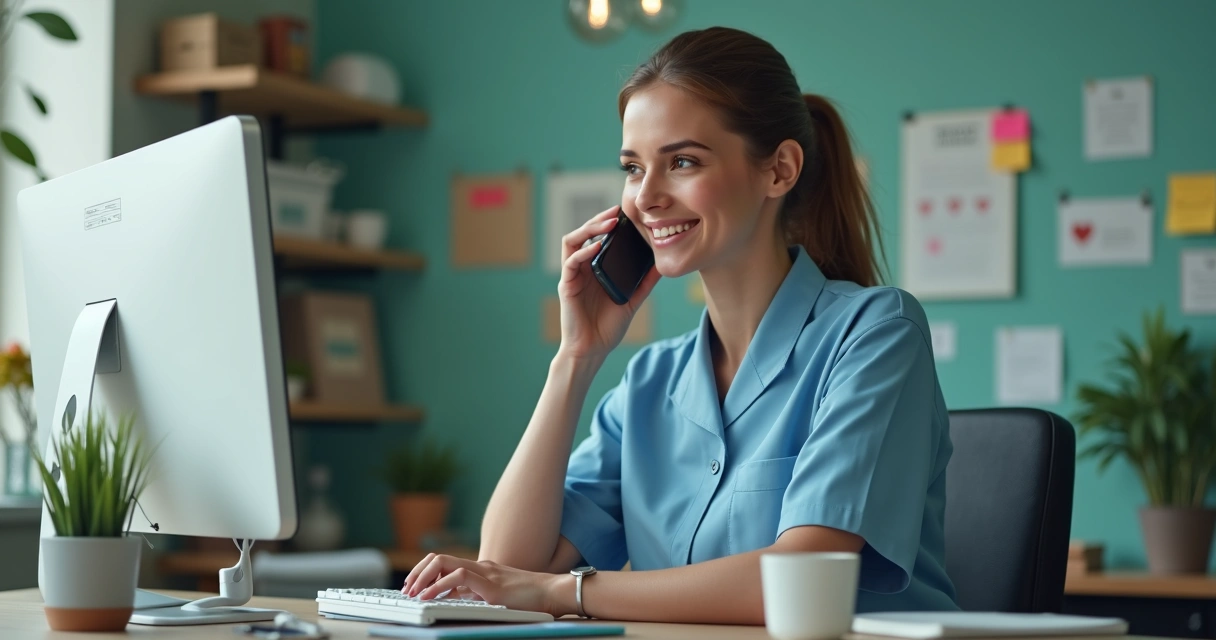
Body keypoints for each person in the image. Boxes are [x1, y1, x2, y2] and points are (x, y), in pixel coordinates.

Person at [402, 26, 959, 623]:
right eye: (633, 167)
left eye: (682, 161)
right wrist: (575, 359)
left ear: (779, 170)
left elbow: (798, 580)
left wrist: (564, 594)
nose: (646, 197)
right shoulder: (649, 381)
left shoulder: (875, 334)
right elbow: (510, 563)